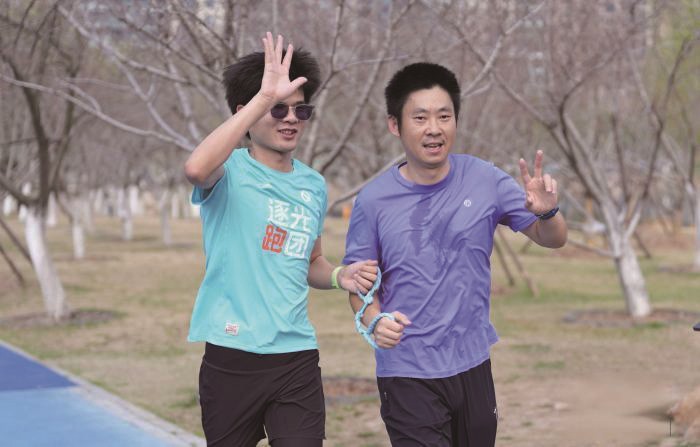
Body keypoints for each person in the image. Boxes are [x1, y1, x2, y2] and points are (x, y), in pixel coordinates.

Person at [342, 62, 567, 446]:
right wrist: (374, 321)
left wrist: (548, 212)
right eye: (420, 118)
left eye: (444, 116)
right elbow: (359, 284)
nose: (434, 128)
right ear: (395, 125)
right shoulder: (373, 201)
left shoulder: (485, 179)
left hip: (472, 363)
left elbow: (552, 238)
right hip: (407, 370)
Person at [184, 32, 377, 447]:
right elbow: (196, 169)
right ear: (247, 111)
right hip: (231, 356)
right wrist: (262, 98)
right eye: (278, 108)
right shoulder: (229, 171)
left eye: (300, 109)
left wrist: (340, 276)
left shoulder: (313, 185)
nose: (291, 119)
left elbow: (311, 261)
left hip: (296, 356)